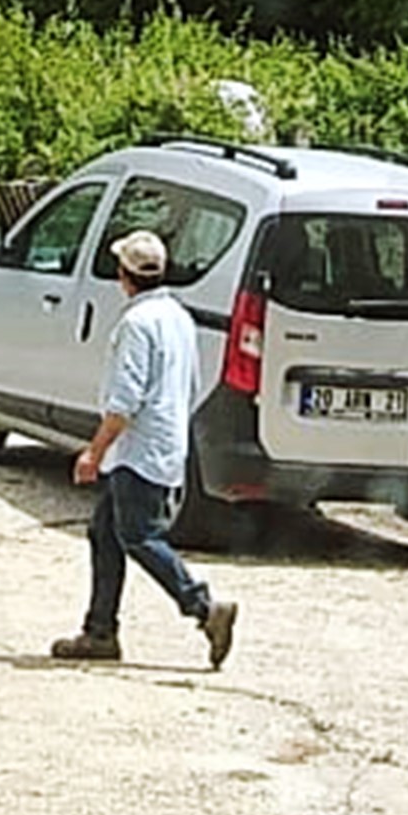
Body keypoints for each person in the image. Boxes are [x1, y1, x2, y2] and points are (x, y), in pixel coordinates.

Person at [51, 230, 240, 669]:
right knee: (105, 533)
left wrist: (93, 452)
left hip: (137, 453)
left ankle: (203, 606)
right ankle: (100, 631)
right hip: (164, 445)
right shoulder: (178, 316)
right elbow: (191, 384)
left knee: (138, 536)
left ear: (124, 276)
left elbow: (124, 402)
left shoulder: (136, 325)